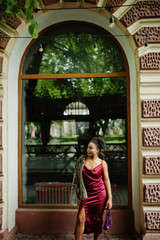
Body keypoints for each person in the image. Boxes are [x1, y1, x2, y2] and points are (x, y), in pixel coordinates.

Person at [70, 136, 112, 240]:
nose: (87, 150)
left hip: (100, 195)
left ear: (97, 150)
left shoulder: (103, 163)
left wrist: (109, 198)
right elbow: (75, 179)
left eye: (90, 148)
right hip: (85, 195)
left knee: (98, 220)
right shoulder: (81, 161)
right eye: (87, 148)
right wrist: (75, 194)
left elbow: (106, 180)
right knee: (80, 219)